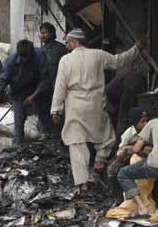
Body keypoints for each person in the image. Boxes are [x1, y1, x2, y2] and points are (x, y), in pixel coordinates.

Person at [51, 28, 144, 192]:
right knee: (106, 135)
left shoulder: (65, 60)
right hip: (95, 103)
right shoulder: (98, 55)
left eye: (67, 42)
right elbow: (119, 61)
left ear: (74, 42)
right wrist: (136, 49)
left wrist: (56, 110)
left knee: (76, 143)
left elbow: (60, 85)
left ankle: (83, 183)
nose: (66, 45)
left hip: (75, 105)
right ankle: (100, 160)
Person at [0, 39, 49, 145]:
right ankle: (18, 147)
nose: (25, 60)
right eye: (22, 58)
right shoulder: (11, 61)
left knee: (43, 121)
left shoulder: (40, 56)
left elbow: (44, 80)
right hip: (18, 94)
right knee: (19, 122)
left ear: (31, 53)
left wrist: (33, 96)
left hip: (38, 92)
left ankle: (46, 146)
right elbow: (3, 79)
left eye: (27, 57)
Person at [38, 22, 67, 137]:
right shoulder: (41, 51)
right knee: (43, 113)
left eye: (44, 33)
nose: (42, 35)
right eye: (41, 33)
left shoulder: (60, 49)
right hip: (44, 89)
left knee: (57, 114)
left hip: (57, 88)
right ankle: (46, 135)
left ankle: (58, 137)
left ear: (51, 33)